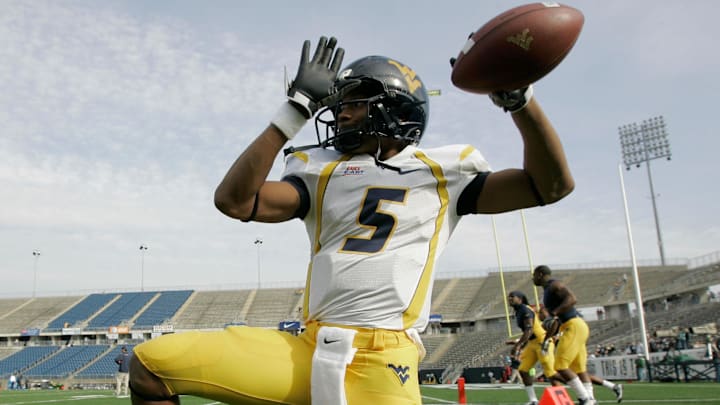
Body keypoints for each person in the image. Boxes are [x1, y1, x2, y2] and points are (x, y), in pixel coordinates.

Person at [129, 35, 574, 405]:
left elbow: (550, 185)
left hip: (385, 361)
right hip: (307, 348)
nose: (340, 111)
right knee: (150, 363)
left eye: (356, 102)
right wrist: (295, 109)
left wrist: (521, 100)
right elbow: (234, 201)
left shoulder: (444, 172)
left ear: (395, 108)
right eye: (340, 103)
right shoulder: (319, 170)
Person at [533, 265, 595, 405]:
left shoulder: (554, 285)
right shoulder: (548, 290)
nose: (533, 278)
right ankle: (591, 398)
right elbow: (556, 321)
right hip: (574, 325)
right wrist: (547, 338)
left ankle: (585, 398)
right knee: (579, 368)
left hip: (573, 325)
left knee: (560, 365)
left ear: (540, 274)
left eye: (534, 275)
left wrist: (554, 313)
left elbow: (572, 299)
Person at [508, 290, 557, 405]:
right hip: (532, 343)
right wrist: (518, 342)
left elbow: (529, 330)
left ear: (520, 298)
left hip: (542, 341)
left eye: (512, 297)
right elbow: (528, 333)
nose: (510, 299)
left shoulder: (525, 310)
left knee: (550, 373)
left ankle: (579, 388)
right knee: (523, 370)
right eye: (509, 297)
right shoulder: (519, 311)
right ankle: (533, 400)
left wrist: (518, 345)